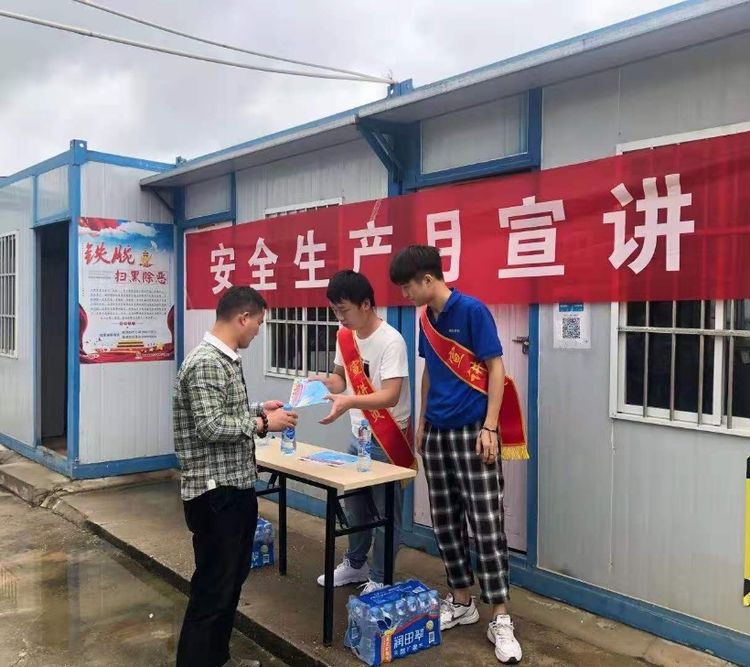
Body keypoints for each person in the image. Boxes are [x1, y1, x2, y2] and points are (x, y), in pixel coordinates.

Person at [389, 246, 523, 665]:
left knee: (486, 524)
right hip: (437, 431)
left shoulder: (472, 311)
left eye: (408, 286)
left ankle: (500, 616)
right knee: (446, 521)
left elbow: (496, 368)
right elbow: (430, 370)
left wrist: (490, 426)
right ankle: (462, 600)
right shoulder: (425, 319)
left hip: (473, 431)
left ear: (428, 280)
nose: (405, 294)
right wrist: (422, 422)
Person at [173, 286, 297, 667]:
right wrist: (264, 423)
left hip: (234, 488)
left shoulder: (224, 360)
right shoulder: (207, 362)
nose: (258, 331)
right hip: (215, 495)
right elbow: (211, 425)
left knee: (229, 584)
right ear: (243, 318)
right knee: (213, 588)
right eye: (258, 323)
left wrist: (260, 408)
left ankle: (218, 659)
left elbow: (224, 409)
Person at [312, 270, 413, 595]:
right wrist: (324, 383)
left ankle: (382, 577)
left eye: (344, 310)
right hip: (359, 435)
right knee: (355, 507)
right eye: (335, 311)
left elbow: (391, 395)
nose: (340, 318)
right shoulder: (345, 336)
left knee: (385, 513)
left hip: (387, 437)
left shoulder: (391, 341)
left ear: (366, 304)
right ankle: (356, 564)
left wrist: (349, 400)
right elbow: (341, 379)